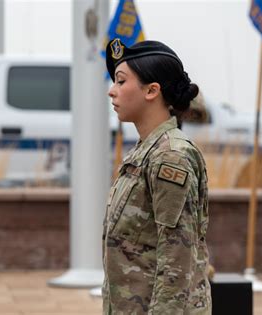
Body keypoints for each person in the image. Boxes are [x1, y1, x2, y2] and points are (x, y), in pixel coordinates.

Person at [102, 38, 211, 314]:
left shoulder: (170, 156)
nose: (112, 92)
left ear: (152, 91)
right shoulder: (147, 149)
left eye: (121, 81)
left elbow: (177, 256)